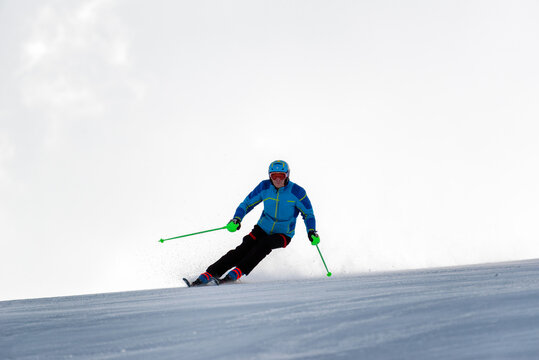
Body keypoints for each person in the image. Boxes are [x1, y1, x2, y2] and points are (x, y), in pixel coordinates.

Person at [190, 160, 320, 286]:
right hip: (263, 228)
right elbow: (246, 204)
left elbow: (308, 214)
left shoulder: (297, 192)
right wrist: (237, 219)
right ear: (270, 176)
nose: (278, 179)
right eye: (274, 176)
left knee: (264, 245)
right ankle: (211, 273)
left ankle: (238, 272)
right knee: (242, 250)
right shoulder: (264, 187)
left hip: (283, 234)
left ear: (287, 175)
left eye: (281, 175)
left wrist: (311, 231)